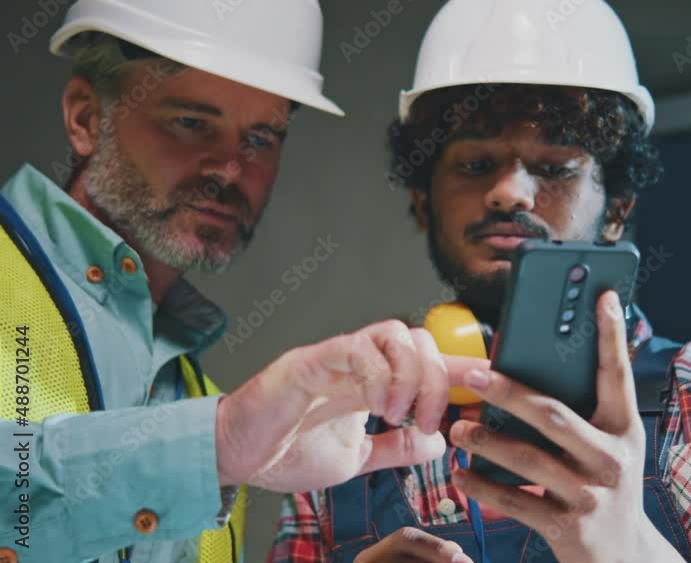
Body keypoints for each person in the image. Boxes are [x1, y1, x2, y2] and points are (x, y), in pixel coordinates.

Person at [268, 1, 691, 562]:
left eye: (556, 168)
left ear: (617, 208)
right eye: (475, 164)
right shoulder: (343, 432)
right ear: (423, 202)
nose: (509, 192)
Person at [0, 1, 466, 562]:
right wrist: (216, 445)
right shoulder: (219, 435)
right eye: (192, 122)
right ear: (86, 118)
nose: (229, 168)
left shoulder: (205, 409)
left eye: (261, 138)